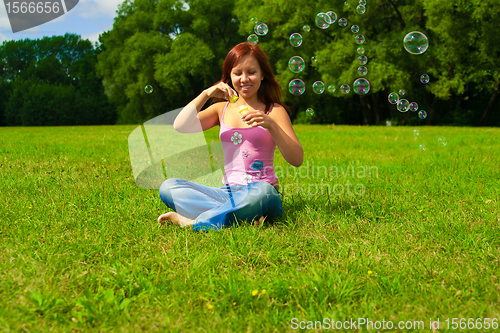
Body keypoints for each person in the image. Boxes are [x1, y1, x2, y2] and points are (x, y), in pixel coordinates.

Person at [158, 42, 303, 231]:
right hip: (226, 192)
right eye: (237, 73)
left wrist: (271, 125)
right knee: (168, 188)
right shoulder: (221, 109)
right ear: (229, 77)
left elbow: (297, 159)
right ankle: (242, 215)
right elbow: (180, 125)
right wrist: (206, 94)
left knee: (261, 191)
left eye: (251, 72)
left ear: (262, 75)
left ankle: (195, 222)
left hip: (262, 191)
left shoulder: (274, 111)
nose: (245, 79)